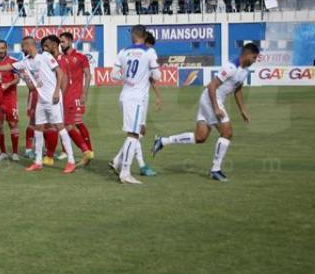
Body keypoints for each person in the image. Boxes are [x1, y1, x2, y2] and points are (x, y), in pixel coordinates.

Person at [151, 43, 260, 182]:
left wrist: (243, 110)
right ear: (246, 54)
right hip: (211, 99)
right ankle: (215, 169)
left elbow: (237, 89)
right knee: (227, 132)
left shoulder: (244, 70)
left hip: (209, 99)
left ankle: (162, 141)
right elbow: (212, 86)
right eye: (254, 57)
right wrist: (215, 107)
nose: (254, 60)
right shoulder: (231, 67)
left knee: (200, 137)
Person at [0, 35, 77, 174]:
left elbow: (60, 73)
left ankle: (71, 161)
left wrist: (57, 92)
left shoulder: (45, 56)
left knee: (60, 127)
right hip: (41, 100)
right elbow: (9, 66)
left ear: (29, 45)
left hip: (53, 99)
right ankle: (38, 161)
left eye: (23, 45)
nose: (21, 48)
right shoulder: (25, 61)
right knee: (38, 129)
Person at [109, 26, 161, 184]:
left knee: (135, 132)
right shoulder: (149, 52)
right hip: (137, 98)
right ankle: (125, 172)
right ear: (144, 36)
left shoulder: (123, 51)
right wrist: (145, 75)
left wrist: (128, 78)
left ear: (133, 35)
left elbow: (113, 75)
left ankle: (118, 162)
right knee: (134, 134)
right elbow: (157, 75)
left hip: (125, 95)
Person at [59, 32, 94, 164]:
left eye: (62, 42)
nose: (61, 44)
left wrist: (84, 93)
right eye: (60, 42)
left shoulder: (81, 57)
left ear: (69, 41)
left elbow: (88, 75)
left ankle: (89, 151)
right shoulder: (60, 58)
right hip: (65, 96)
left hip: (77, 95)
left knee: (77, 122)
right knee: (65, 123)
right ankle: (66, 151)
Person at [0, 40, 21, 161]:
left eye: (2, 48)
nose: (0, 50)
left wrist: (7, 84)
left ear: (6, 48)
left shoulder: (13, 61)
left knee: (13, 124)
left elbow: (17, 79)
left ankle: (15, 152)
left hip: (10, 98)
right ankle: (3, 152)